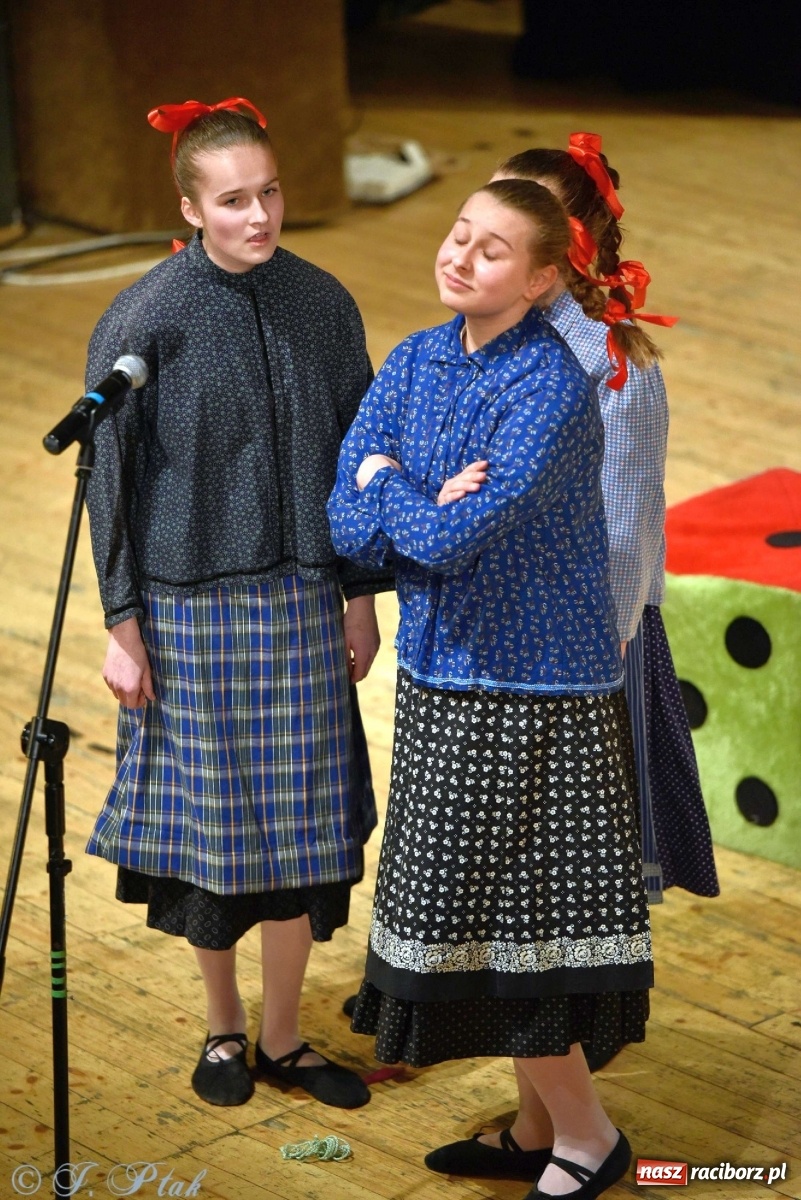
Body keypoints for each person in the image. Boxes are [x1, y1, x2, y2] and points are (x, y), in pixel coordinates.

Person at [327, 178, 651, 1199]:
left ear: (545, 276)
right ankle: (532, 1130)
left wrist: (393, 486)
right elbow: (343, 514)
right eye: (459, 236)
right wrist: (393, 491)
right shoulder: (419, 357)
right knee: (480, 915)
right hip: (439, 677)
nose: (462, 257)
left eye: (495, 251)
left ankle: (589, 1139)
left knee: (518, 924)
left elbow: (455, 537)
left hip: (532, 691)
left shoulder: (551, 388)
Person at [83, 97, 393, 1110]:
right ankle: (222, 1033)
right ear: (190, 208)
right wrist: (121, 625)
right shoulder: (142, 320)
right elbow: (110, 487)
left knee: (303, 838)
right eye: (233, 200)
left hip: (304, 599)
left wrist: (358, 595)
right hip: (188, 612)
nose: (258, 215)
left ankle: (285, 1038)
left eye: (268, 192)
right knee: (217, 843)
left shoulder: (325, 304)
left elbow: (359, 462)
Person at [491, 134, 718, 921]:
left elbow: (626, 525)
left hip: (584, 640)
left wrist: (599, 647)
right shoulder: (489, 335)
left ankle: (584, 1000)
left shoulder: (616, 366)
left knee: (582, 834)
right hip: (499, 623)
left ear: (562, 244)